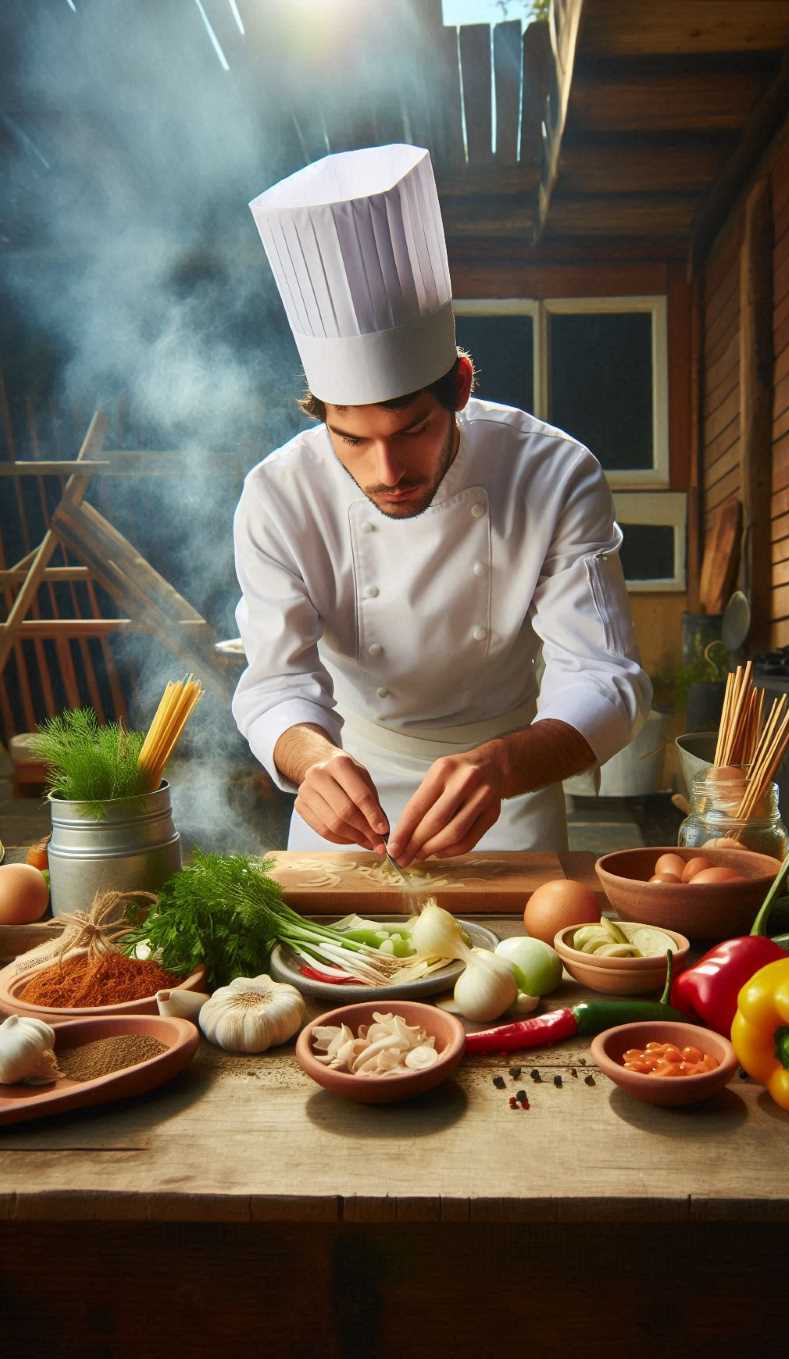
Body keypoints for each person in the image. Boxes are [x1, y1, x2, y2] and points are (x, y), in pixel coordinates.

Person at [232, 144, 651, 864]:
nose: (386, 469)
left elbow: (605, 680)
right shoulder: (278, 496)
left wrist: (501, 768)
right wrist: (310, 760)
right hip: (346, 799)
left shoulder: (552, 472)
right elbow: (275, 682)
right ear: (319, 416)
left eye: (413, 430)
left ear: (459, 385)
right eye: (350, 439)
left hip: (508, 800)